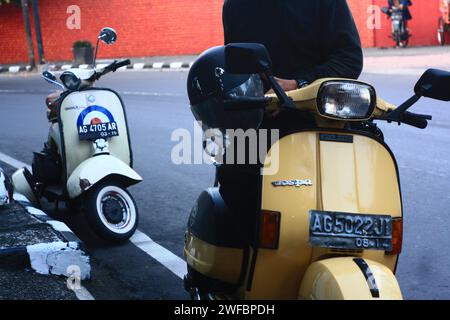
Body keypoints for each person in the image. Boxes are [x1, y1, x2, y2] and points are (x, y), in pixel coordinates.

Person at [217, 0, 365, 242]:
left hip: (320, 120)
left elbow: (348, 58)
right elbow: (234, 65)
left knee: (344, 207)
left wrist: (297, 85)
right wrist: (256, 94)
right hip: (259, 121)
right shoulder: (236, 5)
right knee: (237, 196)